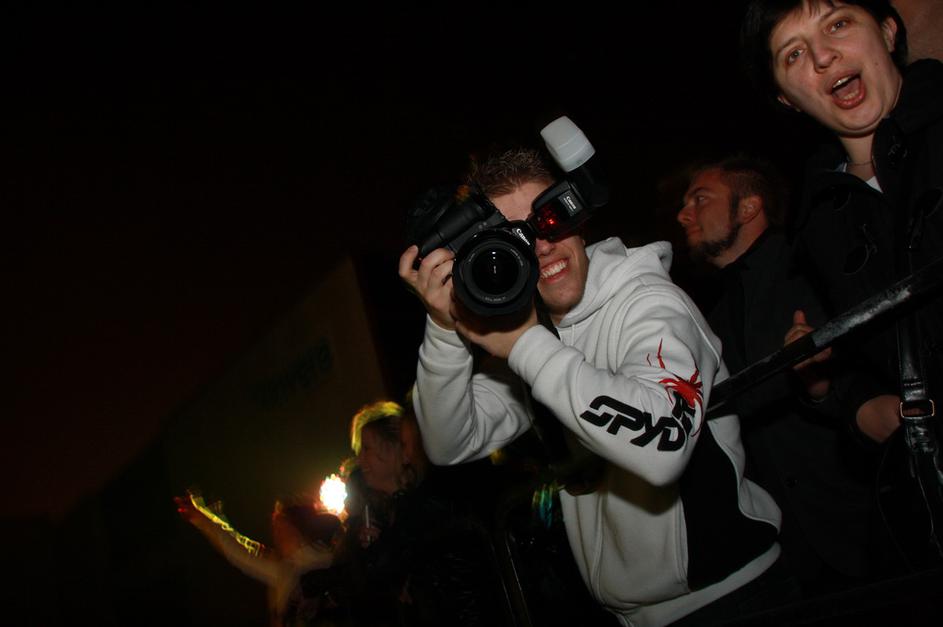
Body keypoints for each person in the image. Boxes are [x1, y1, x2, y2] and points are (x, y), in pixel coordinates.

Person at [399, 146, 784, 626]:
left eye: (549, 220)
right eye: (513, 237)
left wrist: (526, 347)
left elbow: (663, 446)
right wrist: (444, 329)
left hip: (734, 599)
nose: (541, 246)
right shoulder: (534, 336)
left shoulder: (649, 303)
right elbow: (448, 443)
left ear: (578, 219)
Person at [740, 0, 943, 567]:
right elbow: (852, 365)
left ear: (888, 30)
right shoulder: (815, 223)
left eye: (838, 24)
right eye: (794, 54)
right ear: (787, 98)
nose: (823, 56)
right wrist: (853, 405)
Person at [677, 155, 880, 595]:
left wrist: (822, 384)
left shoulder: (816, 263)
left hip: (870, 528)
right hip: (787, 557)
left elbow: (877, 367)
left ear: (749, 207)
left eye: (700, 199)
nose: (683, 214)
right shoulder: (708, 318)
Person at [324, 399, 506, 626]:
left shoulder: (429, 501)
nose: (360, 460)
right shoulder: (385, 511)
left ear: (397, 449)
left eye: (367, 448)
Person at [175, 492, 339, 627]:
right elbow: (239, 550)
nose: (275, 534)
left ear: (295, 528)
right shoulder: (283, 568)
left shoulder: (326, 561)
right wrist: (201, 517)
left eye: (279, 526)